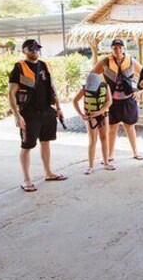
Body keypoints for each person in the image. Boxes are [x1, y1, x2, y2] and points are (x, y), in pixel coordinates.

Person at [8, 39, 67, 192]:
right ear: (24, 51)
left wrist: (58, 108)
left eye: (37, 48)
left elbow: (52, 88)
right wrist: (17, 115)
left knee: (46, 142)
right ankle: (26, 180)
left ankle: (48, 173)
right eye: (31, 48)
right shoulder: (19, 68)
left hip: (47, 110)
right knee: (27, 145)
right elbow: (11, 93)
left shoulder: (44, 65)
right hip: (29, 113)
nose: (34, 51)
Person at [92, 39, 143, 162]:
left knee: (130, 126)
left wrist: (139, 90)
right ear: (111, 49)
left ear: (123, 48)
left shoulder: (131, 61)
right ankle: (110, 154)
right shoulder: (105, 62)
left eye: (120, 47)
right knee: (112, 128)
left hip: (128, 99)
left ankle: (136, 152)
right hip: (112, 101)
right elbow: (93, 74)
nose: (117, 50)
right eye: (115, 48)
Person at [72, 71, 114, 175]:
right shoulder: (85, 87)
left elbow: (109, 101)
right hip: (90, 116)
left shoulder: (105, 86)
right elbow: (75, 101)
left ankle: (106, 163)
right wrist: (81, 114)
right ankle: (90, 166)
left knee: (104, 138)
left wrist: (100, 111)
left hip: (103, 115)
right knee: (92, 140)